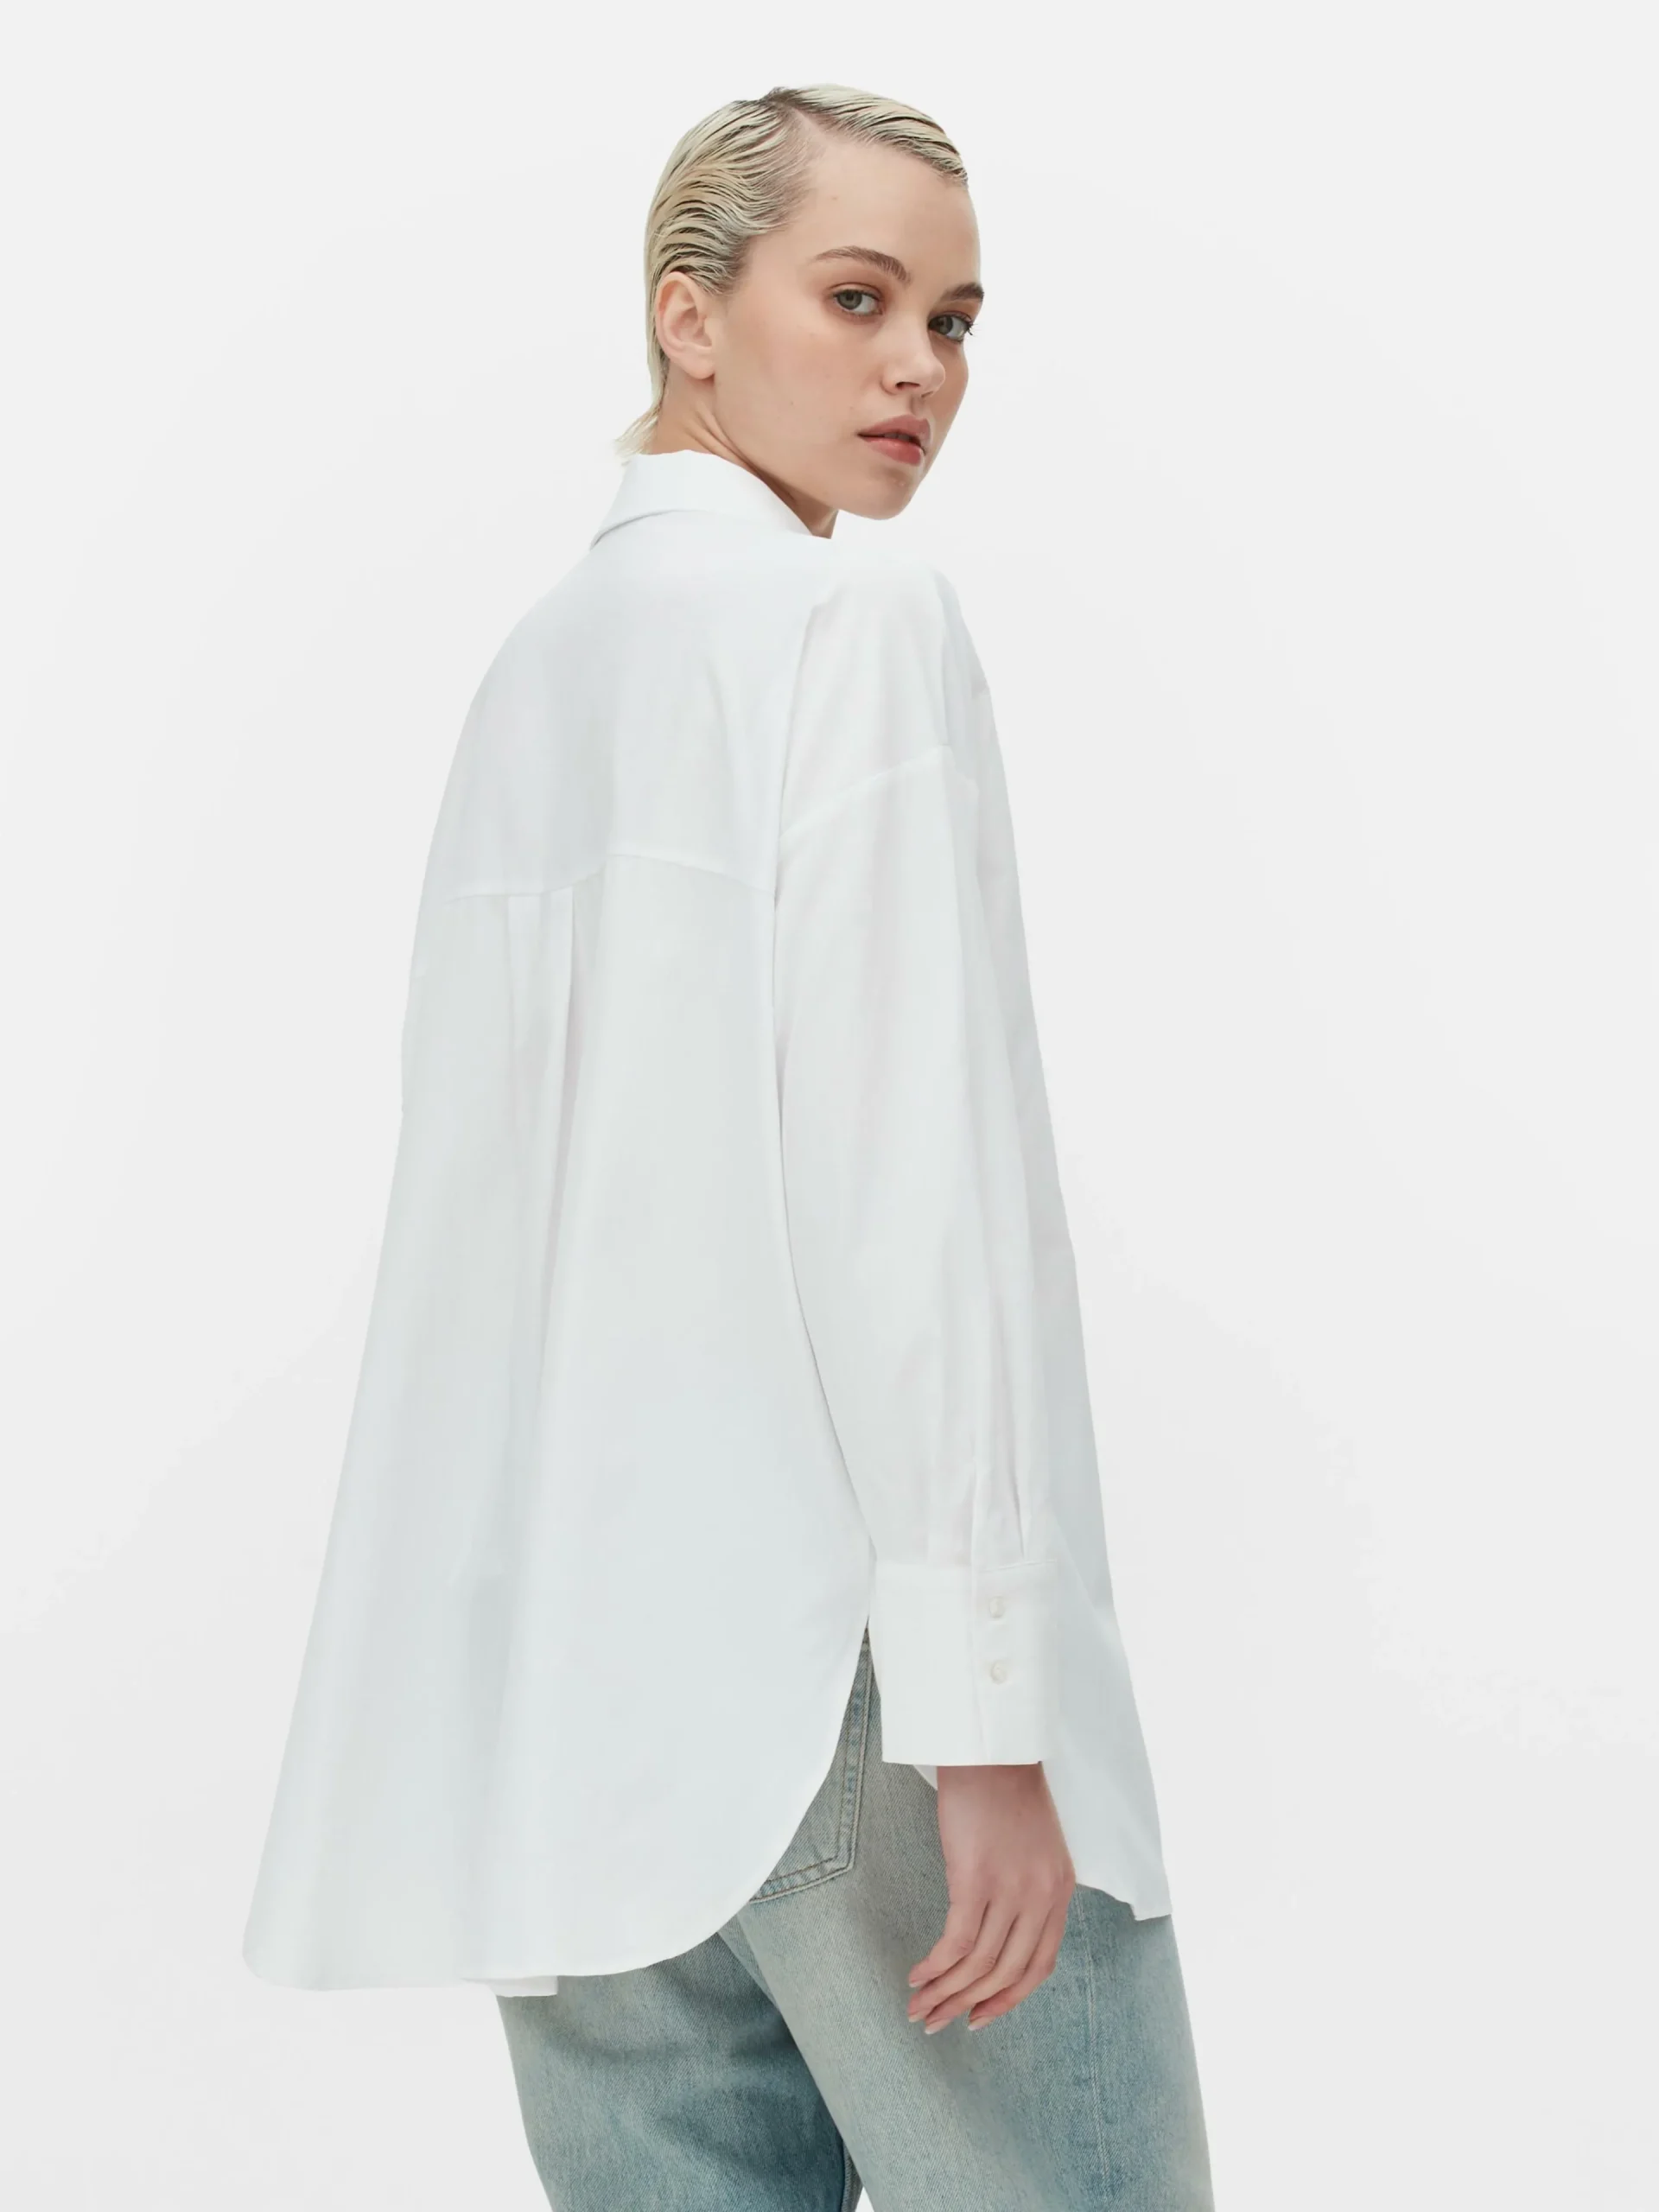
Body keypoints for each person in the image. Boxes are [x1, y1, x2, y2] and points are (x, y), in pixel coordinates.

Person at [243, 81, 1215, 2209]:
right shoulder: (850, 628)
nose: (917, 368)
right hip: (847, 1670)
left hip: (572, 1727)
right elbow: (912, 1188)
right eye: (857, 298)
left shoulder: (537, 674)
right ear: (687, 316)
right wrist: (985, 1715)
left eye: (955, 320)